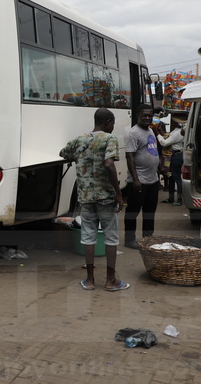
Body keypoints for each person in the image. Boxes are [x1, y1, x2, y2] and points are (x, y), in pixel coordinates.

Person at [59, 108, 129, 291]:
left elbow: (63, 153)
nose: (113, 127)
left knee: (88, 237)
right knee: (111, 238)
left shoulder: (79, 140)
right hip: (105, 197)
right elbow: (108, 163)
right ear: (107, 122)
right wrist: (118, 193)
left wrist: (82, 157)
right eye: (112, 123)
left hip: (85, 198)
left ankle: (89, 281)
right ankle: (110, 281)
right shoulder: (109, 139)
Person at [123, 104, 160, 249]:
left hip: (153, 180)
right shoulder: (133, 133)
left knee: (150, 211)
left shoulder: (150, 130)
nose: (147, 118)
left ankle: (148, 237)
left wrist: (160, 167)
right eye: (144, 115)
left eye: (149, 115)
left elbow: (152, 151)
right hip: (139, 181)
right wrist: (135, 180)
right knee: (133, 211)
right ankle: (129, 239)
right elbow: (129, 157)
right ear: (138, 115)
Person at [157, 118, 185, 206]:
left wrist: (157, 133)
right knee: (171, 177)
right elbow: (168, 137)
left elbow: (164, 143)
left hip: (176, 156)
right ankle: (171, 198)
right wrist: (160, 130)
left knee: (176, 177)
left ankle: (180, 199)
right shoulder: (176, 130)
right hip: (173, 156)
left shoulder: (178, 132)